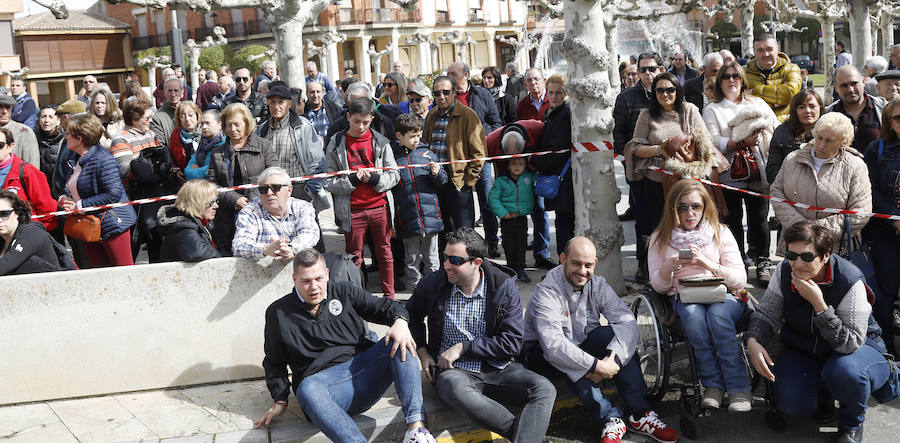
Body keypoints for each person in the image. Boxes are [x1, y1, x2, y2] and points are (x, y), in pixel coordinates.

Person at [255, 248, 438, 443]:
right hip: (323, 389)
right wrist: (280, 398)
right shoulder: (278, 312)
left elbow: (386, 307)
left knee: (400, 338)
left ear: (327, 273)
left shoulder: (344, 291)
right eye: (306, 281)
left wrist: (400, 322)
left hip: (364, 374)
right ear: (294, 279)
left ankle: (416, 430)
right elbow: (274, 361)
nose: (314, 287)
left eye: (318, 279)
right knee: (306, 390)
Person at [746, 221, 900, 443]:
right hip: (805, 347)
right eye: (791, 255)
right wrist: (754, 339)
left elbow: (850, 343)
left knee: (844, 372)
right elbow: (766, 313)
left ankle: (852, 425)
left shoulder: (849, 279)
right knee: (791, 403)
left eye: (807, 257)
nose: (797, 264)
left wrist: (819, 305)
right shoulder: (784, 270)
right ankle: (822, 394)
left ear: (825, 256)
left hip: (855, 351)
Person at [407, 228, 556, 443]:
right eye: (445, 257)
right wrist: (423, 352)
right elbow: (410, 315)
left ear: (476, 262)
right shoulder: (434, 283)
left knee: (544, 388)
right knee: (455, 388)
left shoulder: (503, 287)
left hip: (499, 368)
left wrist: (463, 347)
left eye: (455, 260)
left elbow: (512, 343)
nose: (447, 264)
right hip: (454, 372)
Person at [524, 237, 680, 443]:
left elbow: (627, 322)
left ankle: (640, 414)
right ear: (563, 259)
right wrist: (597, 366)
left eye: (588, 265)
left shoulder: (597, 284)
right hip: (542, 356)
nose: (582, 270)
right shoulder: (547, 291)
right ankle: (610, 418)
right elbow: (554, 347)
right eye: (576, 263)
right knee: (567, 348)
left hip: (582, 345)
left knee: (613, 335)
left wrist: (611, 363)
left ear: (595, 264)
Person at [647, 180, 751, 411]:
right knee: (694, 319)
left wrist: (708, 264)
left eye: (696, 206)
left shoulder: (720, 232)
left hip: (722, 294)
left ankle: (738, 387)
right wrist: (669, 268)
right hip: (683, 296)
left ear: (706, 207)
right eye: (682, 207)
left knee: (718, 318)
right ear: (672, 209)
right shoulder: (659, 238)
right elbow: (659, 286)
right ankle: (713, 384)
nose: (689, 213)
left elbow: (739, 279)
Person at [625, 71, 714, 283]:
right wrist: (660, 149)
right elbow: (635, 148)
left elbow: (705, 143)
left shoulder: (690, 110)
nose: (665, 94)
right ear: (654, 93)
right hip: (654, 181)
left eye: (670, 89)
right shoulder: (647, 114)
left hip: (685, 182)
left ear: (678, 90)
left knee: (684, 225)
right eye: (660, 90)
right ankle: (648, 268)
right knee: (653, 227)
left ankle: (687, 267)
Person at [702, 60, 779, 281]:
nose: (732, 80)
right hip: (728, 169)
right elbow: (712, 138)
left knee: (760, 218)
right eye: (726, 77)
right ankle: (738, 263)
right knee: (733, 219)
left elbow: (774, 126)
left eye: (735, 76)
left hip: (758, 168)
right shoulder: (712, 109)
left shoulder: (757, 103)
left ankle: (763, 261)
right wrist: (739, 141)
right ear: (720, 82)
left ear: (742, 79)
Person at [324, 98, 400, 298]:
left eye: (366, 122)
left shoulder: (381, 142)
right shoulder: (336, 142)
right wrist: (351, 181)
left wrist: (376, 179)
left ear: (372, 119)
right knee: (353, 257)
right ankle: (358, 297)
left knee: (385, 254)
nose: (360, 126)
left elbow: (395, 175)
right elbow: (327, 180)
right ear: (348, 117)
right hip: (352, 211)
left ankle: (389, 297)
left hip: (379, 207)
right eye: (356, 121)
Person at [770, 112, 872, 255]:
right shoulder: (792, 159)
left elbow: (860, 213)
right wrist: (800, 228)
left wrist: (816, 233)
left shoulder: (855, 166)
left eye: (830, 141)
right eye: (819, 138)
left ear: (843, 142)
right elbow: (776, 193)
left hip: (837, 251)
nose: (822, 145)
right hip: (795, 246)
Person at [58, 114, 137, 267]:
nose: (65, 137)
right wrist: (64, 198)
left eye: (68, 133)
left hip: (113, 224)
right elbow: (71, 186)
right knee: (99, 274)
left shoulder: (103, 159)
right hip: (90, 226)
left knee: (124, 272)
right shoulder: (74, 158)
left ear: (80, 139)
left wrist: (79, 205)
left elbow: (113, 193)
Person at [207, 103, 278, 255]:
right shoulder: (217, 153)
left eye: (237, 124)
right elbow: (212, 185)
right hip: (228, 216)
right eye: (229, 125)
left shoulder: (264, 146)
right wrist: (234, 200)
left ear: (247, 123)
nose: (233, 129)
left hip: (261, 211)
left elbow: (274, 175)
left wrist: (253, 201)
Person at [447, 61, 501, 257]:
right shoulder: (448, 98)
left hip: (482, 158)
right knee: (463, 203)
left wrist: (485, 139)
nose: (451, 77)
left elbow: (496, 121)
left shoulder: (481, 94)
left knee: (486, 201)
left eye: (454, 73)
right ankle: (468, 246)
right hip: (458, 159)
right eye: (448, 74)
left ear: (466, 75)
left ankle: (492, 243)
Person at [422, 76, 486, 232]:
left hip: (458, 180)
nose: (441, 97)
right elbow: (425, 145)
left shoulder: (468, 115)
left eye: (445, 92)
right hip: (436, 179)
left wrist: (469, 180)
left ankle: (469, 257)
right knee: (442, 229)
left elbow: (479, 152)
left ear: (454, 92)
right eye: (437, 93)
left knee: (464, 230)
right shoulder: (431, 115)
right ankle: (448, 257)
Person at [862, 97, 900, 356]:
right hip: (885, 233)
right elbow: (869, 190)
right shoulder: (877, 149)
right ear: (888, 121)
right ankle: (887, 351)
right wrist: (894, 217)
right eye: (897, 118)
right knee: (884, 295)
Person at [391, 114, 446, 289]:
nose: (416, 140)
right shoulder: (392, 158)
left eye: (418, 135)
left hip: (431, 217)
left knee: (432, 259)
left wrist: (438, 174)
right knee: (411, 259)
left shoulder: (428, 154)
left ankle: (435, 289)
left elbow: (443, 182)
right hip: (407, 218)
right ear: (399, 135)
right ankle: (416, 290)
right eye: (412, 136)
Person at [258, 83, 329, 217]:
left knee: (309, 229)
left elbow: (317, 160)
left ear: (289, 103)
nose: (276, 106)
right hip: (272, 190)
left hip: (299, 188)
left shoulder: (303, 127)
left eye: (281, 102)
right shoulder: (262, 130)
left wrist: (310, 190)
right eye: (272, 102)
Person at [231, 166, 319, 259]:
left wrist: (291, 249)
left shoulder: (302, 207)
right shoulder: (249, 211)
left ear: (289, 190)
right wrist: (265, 250)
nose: (269, 193)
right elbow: (239, 246)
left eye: (275, 187)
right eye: (263, 189)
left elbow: (310, 233)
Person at [533, 74, 576, 257]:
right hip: (562, 177)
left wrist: (533, 162)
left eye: (559, 92)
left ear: (566, 94)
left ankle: (565, 268)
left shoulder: (564, 113)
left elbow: (557, 152)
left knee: (565, 226)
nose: (554, 96)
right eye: (551, 92)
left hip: (565, 179)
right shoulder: (553, 112)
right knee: (563, 223)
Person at [0, 126, 57, 232]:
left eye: (0, 145)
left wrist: (34, 234)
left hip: (23, 233)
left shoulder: (27, 172)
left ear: (10, 146)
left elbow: (47, 209)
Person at [488, 156, 534, 282]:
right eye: (514, 164)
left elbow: (539, 178)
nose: (517, 166)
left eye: (520, 163)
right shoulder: (501, 181)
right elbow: (493, 198)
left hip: (521, 218)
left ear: (525, 166)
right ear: (508, 166)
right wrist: (503, 213)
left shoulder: (528, 178)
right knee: (508, 244)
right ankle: (510, 268)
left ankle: (520, 269)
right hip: (507, 219)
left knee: (521, 243)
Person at [0, 189, 64, 275]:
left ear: (17, 213)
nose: (0, 220)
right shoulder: (2, 237)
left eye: (4, 214)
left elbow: (4, 266)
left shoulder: (32, 233)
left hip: (48, 286)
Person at [157, 179, 221, 262]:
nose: (216, 206)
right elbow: (196, 253)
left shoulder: (203, 222)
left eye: (216, 201)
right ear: (195, 203)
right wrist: (221, 258)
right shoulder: (183, 227)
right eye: (211, 202)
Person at [826, 65, 886, 154]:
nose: (850, 89)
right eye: (844, 85)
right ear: (836, 88)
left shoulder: (883, 108)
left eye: (854, 83)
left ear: (863, 82)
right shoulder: (829, 114)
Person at [744, 33, 802, 122]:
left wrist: (754, 92)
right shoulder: (742, 72)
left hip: (785, 125)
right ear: (754, 52)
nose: (766, 54)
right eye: (760, 50)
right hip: (754, 127)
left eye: (769, 49)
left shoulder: (791, 69)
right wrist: (777, 102)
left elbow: (789, 93)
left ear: (777, 49)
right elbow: (737, 101)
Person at [767, 89, 823, 181]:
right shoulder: (782, 132)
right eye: (802, 107)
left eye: (812, 106)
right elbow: (772, 171)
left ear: (820, 107)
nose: (807, 111)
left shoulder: (830, 130)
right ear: (795, 110)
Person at [168, 101, 201, 188]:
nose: (187, 119)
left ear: (197, 115)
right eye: (183, 116)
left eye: (190, 115)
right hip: (184, 183)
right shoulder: (175, 134)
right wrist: (176, 172)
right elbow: (172, 158)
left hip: (203, 181)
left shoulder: (205, 132)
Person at [0, 94, 39, 167]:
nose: (4, 111)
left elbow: (33, 166)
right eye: (0, 107)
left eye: (8, 107)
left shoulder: (24, 132)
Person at [185, 109, 224, 181]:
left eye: (207, 123)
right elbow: (187, 171)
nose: (204, 127)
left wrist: (198, 170)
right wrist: (204, 171)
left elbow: (215, 170)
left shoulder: (224, 145)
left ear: (220, 125)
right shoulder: (202, 145)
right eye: (202, 124)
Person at [35, 105, 66, 195]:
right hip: (40, 189)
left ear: (58, 121)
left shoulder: (64, 140)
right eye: (43, 116)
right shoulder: (33, 139)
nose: (47, 120)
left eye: (51, 117)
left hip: (59, 189)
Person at [150, 77, 183, 151]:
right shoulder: (157, 118)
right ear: (164, 92)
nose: (173, 94)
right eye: (170, 91)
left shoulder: (191, 112)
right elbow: (160, 146)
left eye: (176, 90)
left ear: (182, 92)